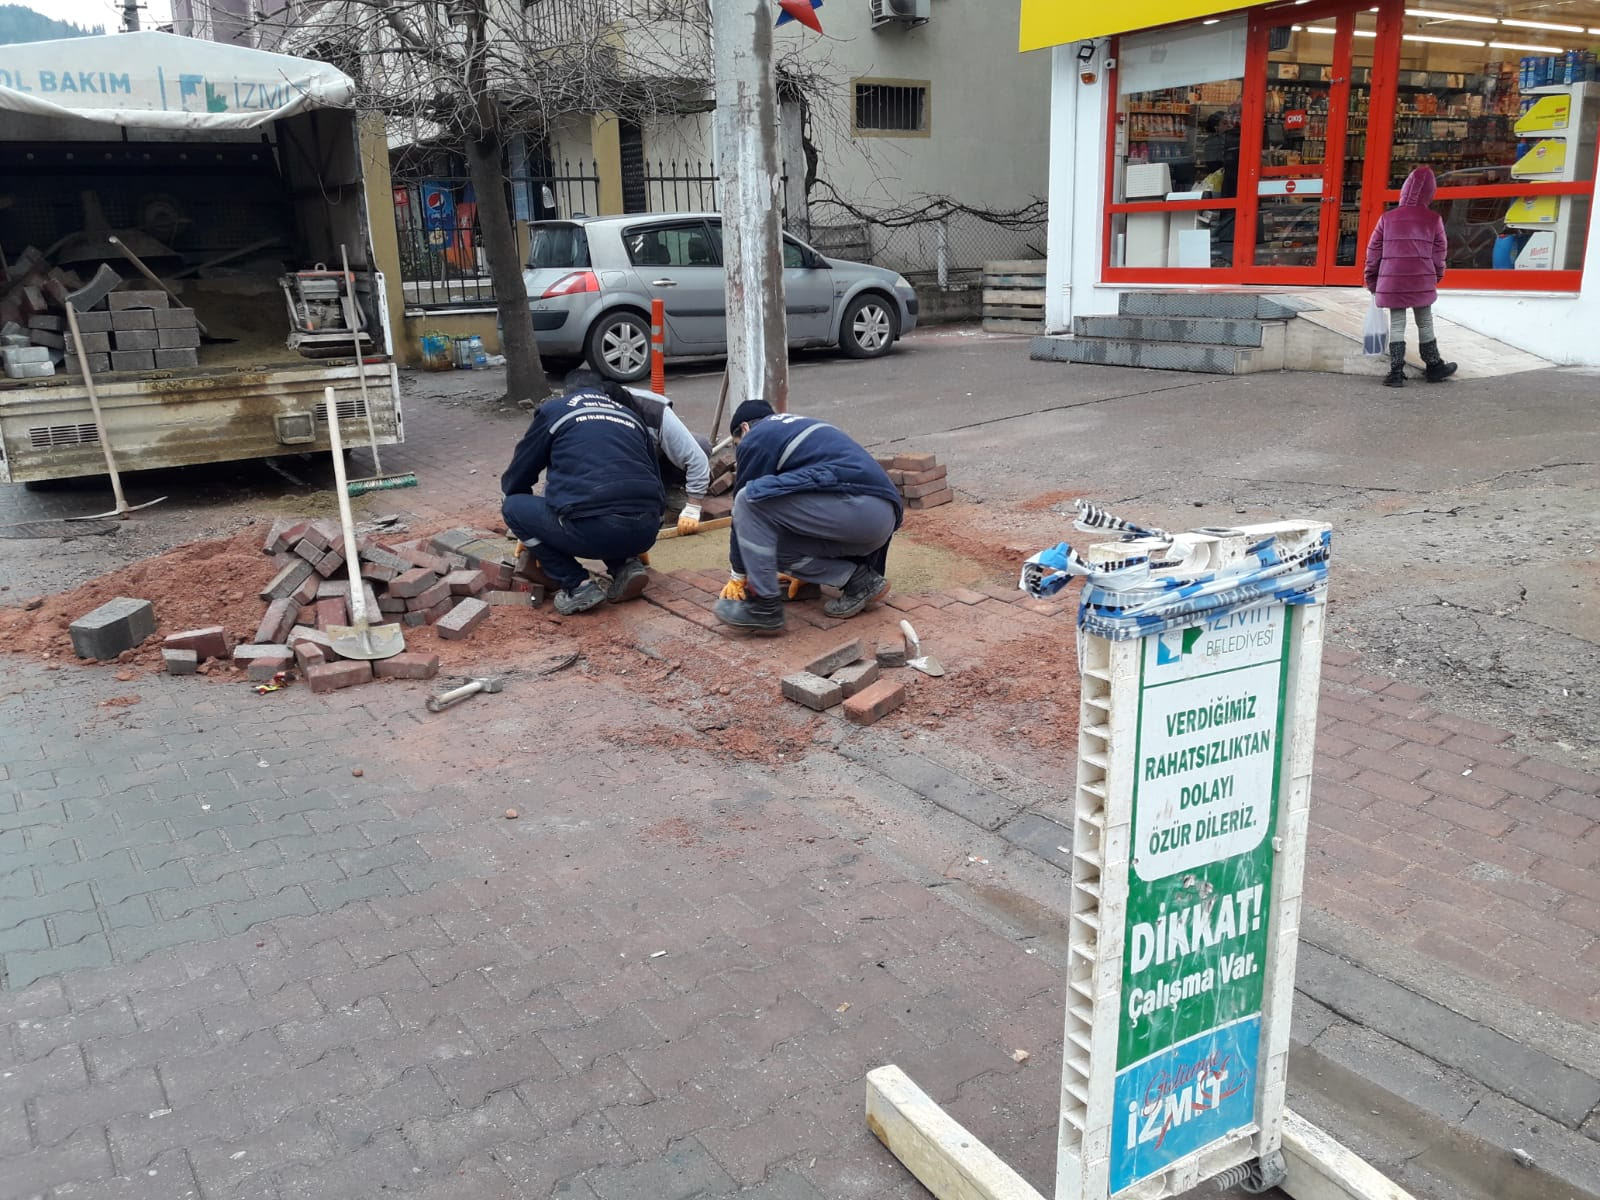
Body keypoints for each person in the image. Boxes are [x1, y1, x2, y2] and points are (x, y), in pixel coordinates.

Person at [713, 400, 903, 635]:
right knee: (770, 545)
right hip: (879, 518)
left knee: (748, 499)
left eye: (735, 445)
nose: (739, 451)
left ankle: (765, 608)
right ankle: (860, 581)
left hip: (857, 509)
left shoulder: (756, 437)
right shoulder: (798, 428)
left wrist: (738, 573)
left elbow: (743, 510)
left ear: (744, 428)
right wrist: (806, 573)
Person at [500, 371, 665, 614]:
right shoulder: (630, 415)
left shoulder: (556, 411)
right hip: (647, 531)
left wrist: (530, 525)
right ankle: (625, 566)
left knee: (513, 507)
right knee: (605, 505)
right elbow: (656, 481)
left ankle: (576, 584)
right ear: (601, 390)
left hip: (594, 531)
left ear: (566, 392)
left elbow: (520, 474)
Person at [1364, 165, 1457, 389]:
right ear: (1430, 192)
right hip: (1421, 279)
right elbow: (1439, 253)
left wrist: (1372, 279)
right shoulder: (1433, 219)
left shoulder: (1387, 218)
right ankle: (1434, 366)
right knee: (1425, 322)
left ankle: (1396, 371)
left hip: (1393, 280)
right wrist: (1436, 276)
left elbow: (1373, 251)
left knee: (1397, 323)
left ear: (1404, 190)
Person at [599, 375, 713, 534]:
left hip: (653, 459)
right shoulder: (589, 421)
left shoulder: (653, 410)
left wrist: (693, 507)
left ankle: (668, 490)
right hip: (618, 469)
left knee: (701, 446)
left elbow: (697, 460)